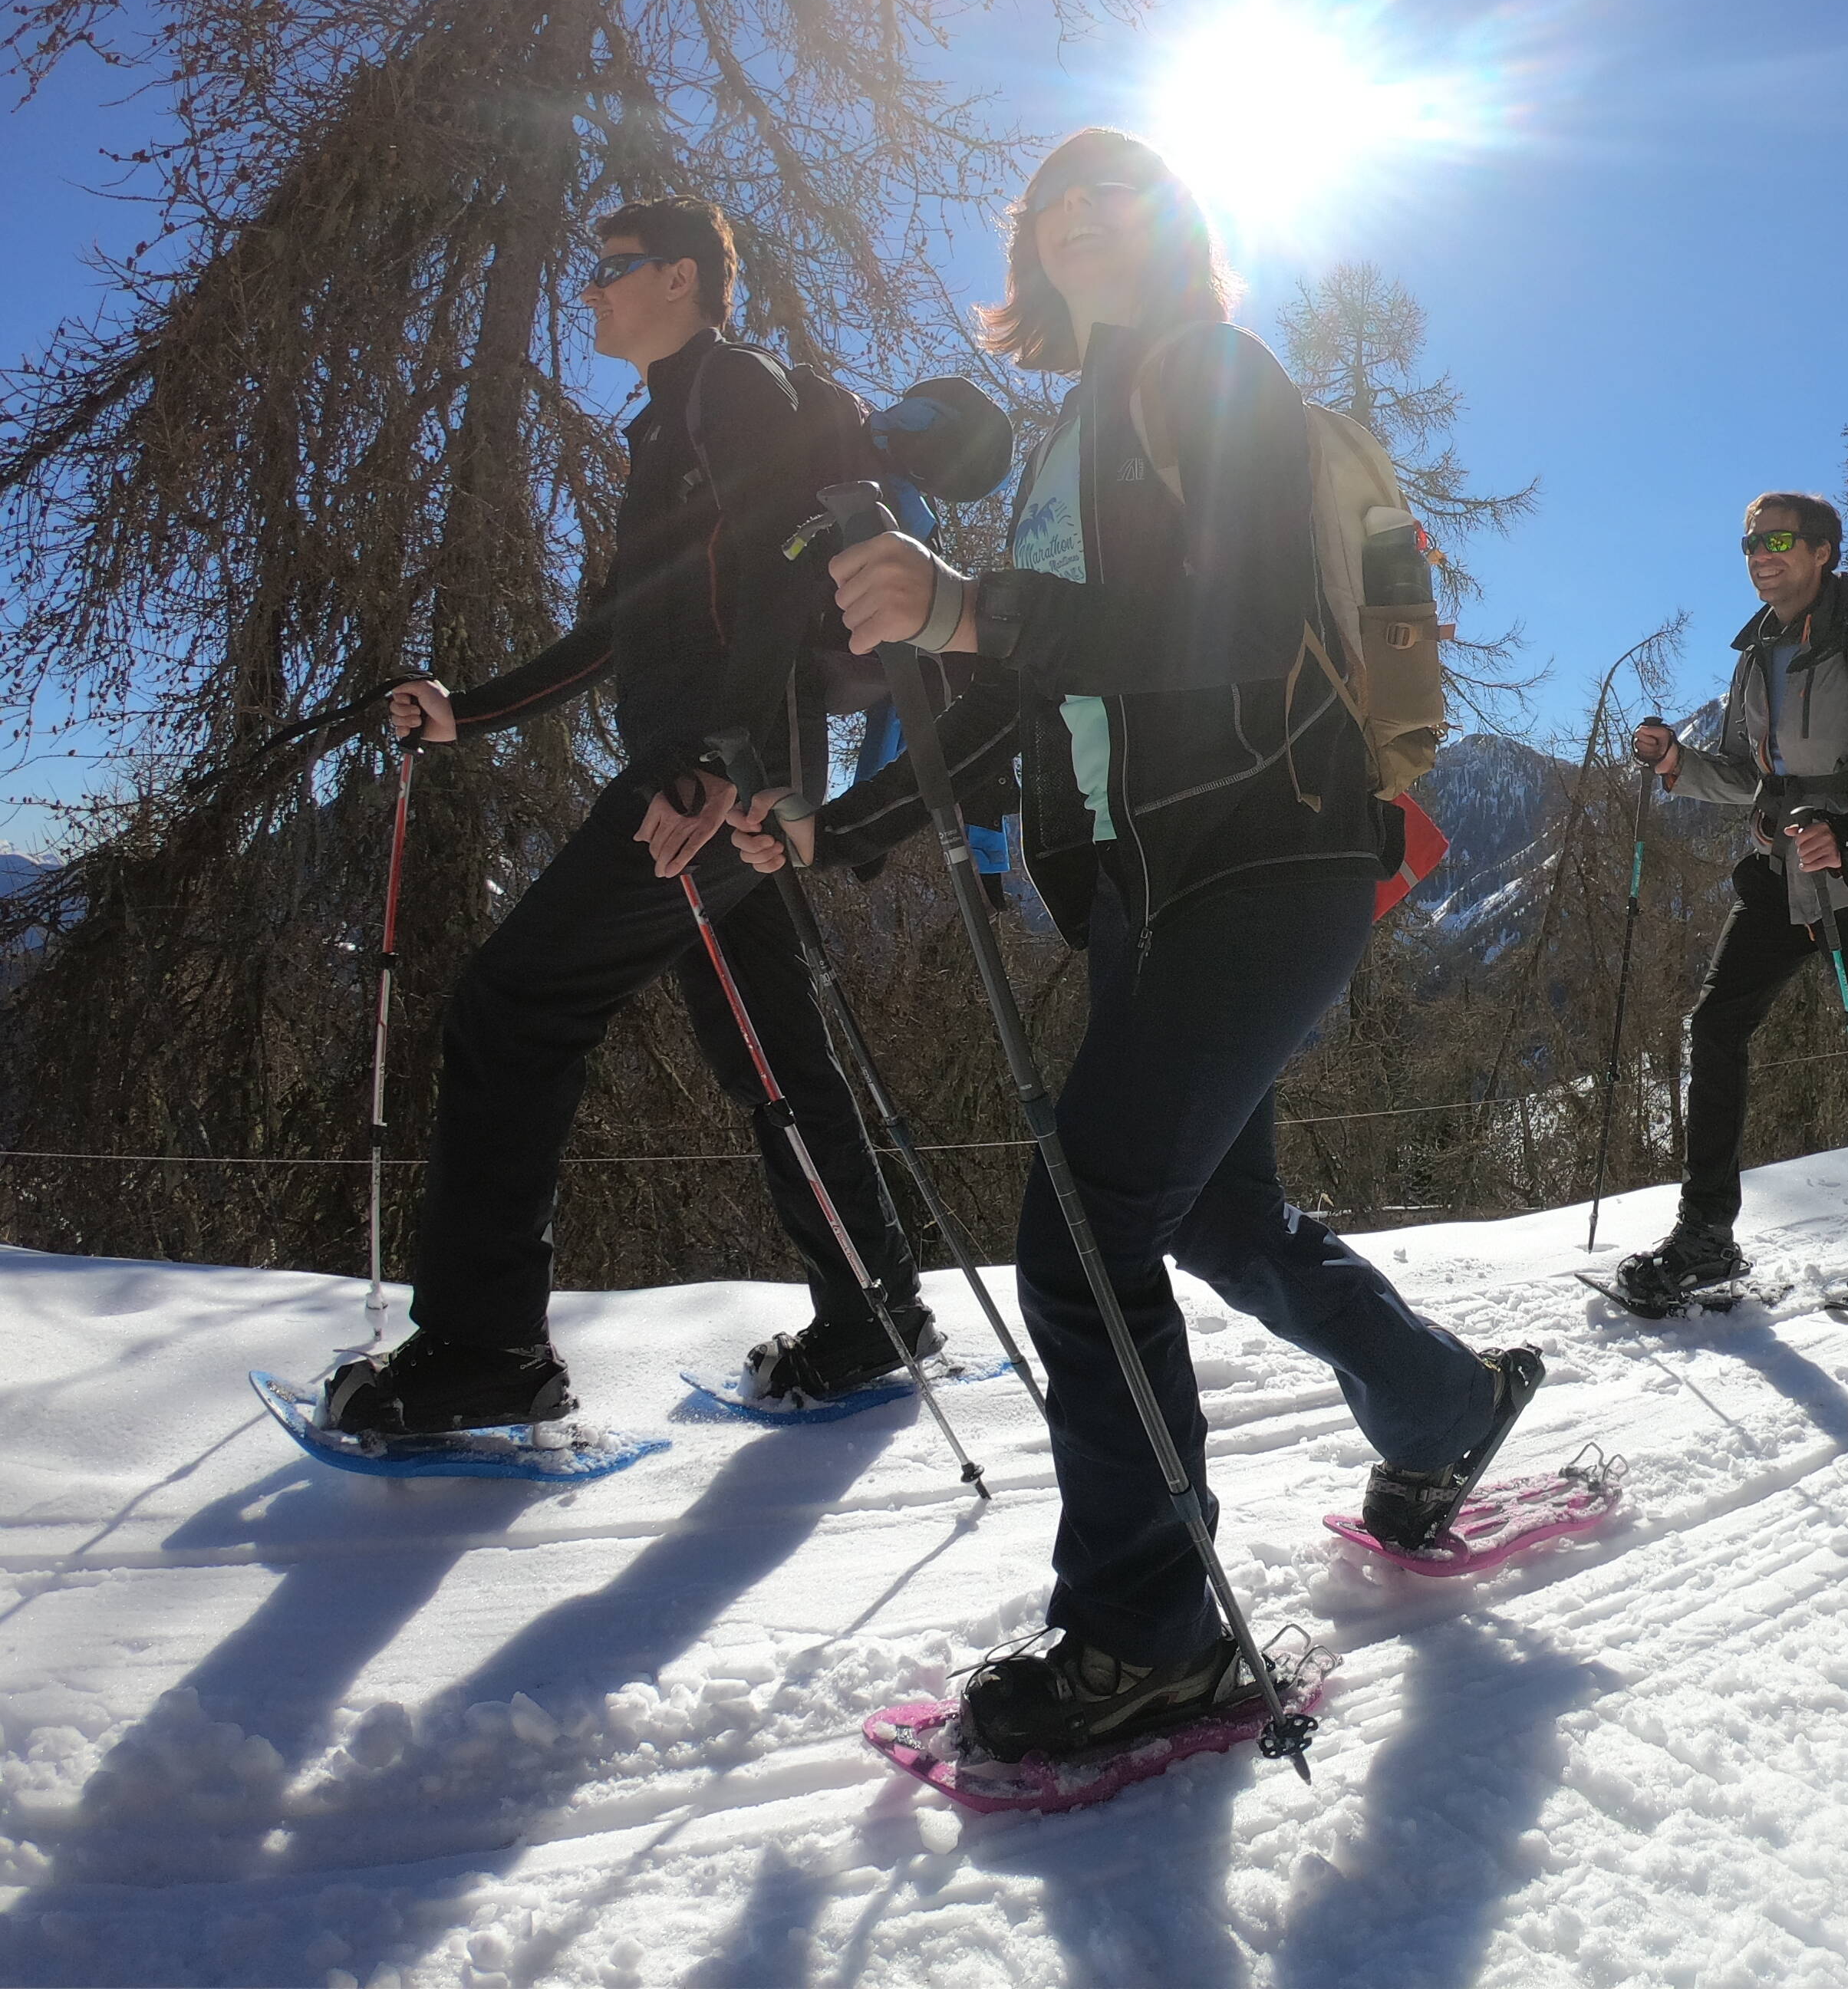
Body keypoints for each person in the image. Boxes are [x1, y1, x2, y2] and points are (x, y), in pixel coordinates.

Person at [734, 127, 1538, 1760]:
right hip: (1142, 890)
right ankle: (1446, 1406)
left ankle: (1150, 1636)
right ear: (1027, 250)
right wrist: (844, 829)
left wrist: (968, 608)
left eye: (1121, 191)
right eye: (1055, 199)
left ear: (1174, 231)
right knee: (1222, 1220)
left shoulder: (1212, 373)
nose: (1085, 213)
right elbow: (1029, 692)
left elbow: (1230, 627)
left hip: (1271, 854)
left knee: (1086, 1229)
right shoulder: (1056, 447)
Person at [321, 198, 927, 1435]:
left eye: (614, 269)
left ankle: (487, 1348)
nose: (588, 288)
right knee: (768, 1046)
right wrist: (467, 713)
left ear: (688, 279)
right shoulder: (670, 426)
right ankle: (874, 1312)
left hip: (700, 786)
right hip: (720, 781)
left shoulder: (735, 389)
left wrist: (713, 760)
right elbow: (618, 631)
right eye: (591, 269)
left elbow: (784, 572)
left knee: (515, 1002)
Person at [1615, 491, 1848, 1316]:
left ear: (1823, 550)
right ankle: (1707, 1238)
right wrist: (1675, 763)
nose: (1759, 554)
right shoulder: (1755, 652)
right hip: (1777, 872)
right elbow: (1745, 773)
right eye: (1747, 544)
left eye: (1777, 539)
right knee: (1715, 1027)